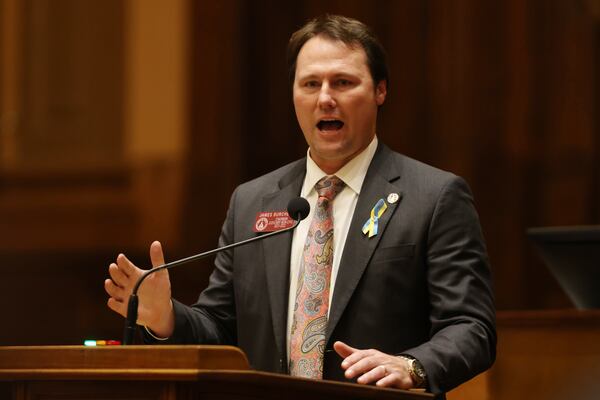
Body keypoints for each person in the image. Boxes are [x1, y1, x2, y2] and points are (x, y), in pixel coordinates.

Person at [105, 14, 496, 395]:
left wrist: (413, 365)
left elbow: (471, 328)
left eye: (343, 82)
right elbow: (221, 328)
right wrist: (166, 317)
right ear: (293, 95)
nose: (325, 98)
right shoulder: (252, 202)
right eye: (310, 83)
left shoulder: (434, 196)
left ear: (380, 90)